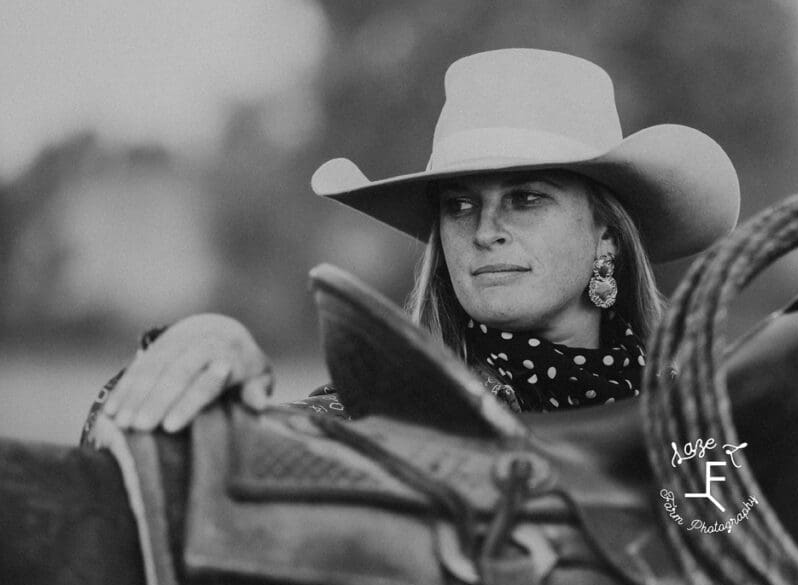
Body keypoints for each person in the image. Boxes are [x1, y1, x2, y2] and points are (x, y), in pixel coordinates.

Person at [84, 48, 739, 449]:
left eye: (527, 197)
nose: (484, 230)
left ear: (605, 236)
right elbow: (174, 484)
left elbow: (742, 559)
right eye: (459, 206)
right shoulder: (387, 410)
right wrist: (202, 345)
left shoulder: (696, 411)